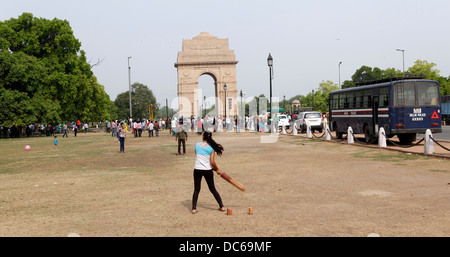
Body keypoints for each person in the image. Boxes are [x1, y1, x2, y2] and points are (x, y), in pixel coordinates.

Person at [191, 131, 225, 214]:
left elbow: (197, 155)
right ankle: (221, 206)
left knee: (196, 189)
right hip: (207, 170)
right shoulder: (211, 148)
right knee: (212, 189)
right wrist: (217, 169)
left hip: (197, 169)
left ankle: (194, 209)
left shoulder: (197, 145)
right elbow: (212, 162)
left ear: (203, 136)